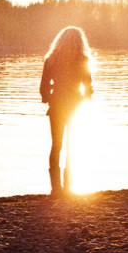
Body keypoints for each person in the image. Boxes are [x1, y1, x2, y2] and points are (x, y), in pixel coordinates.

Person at [40, 26, 94, 197]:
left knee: (56, 145)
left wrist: (49, 98)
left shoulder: (51, 60)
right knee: (71, 146)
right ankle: (68, 187)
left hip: (56, 107)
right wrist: (86, 101)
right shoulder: (82, 60)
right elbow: (88, 86)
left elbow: (43, 87)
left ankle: (55, 188)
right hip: (74, 106)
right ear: (80, 42)